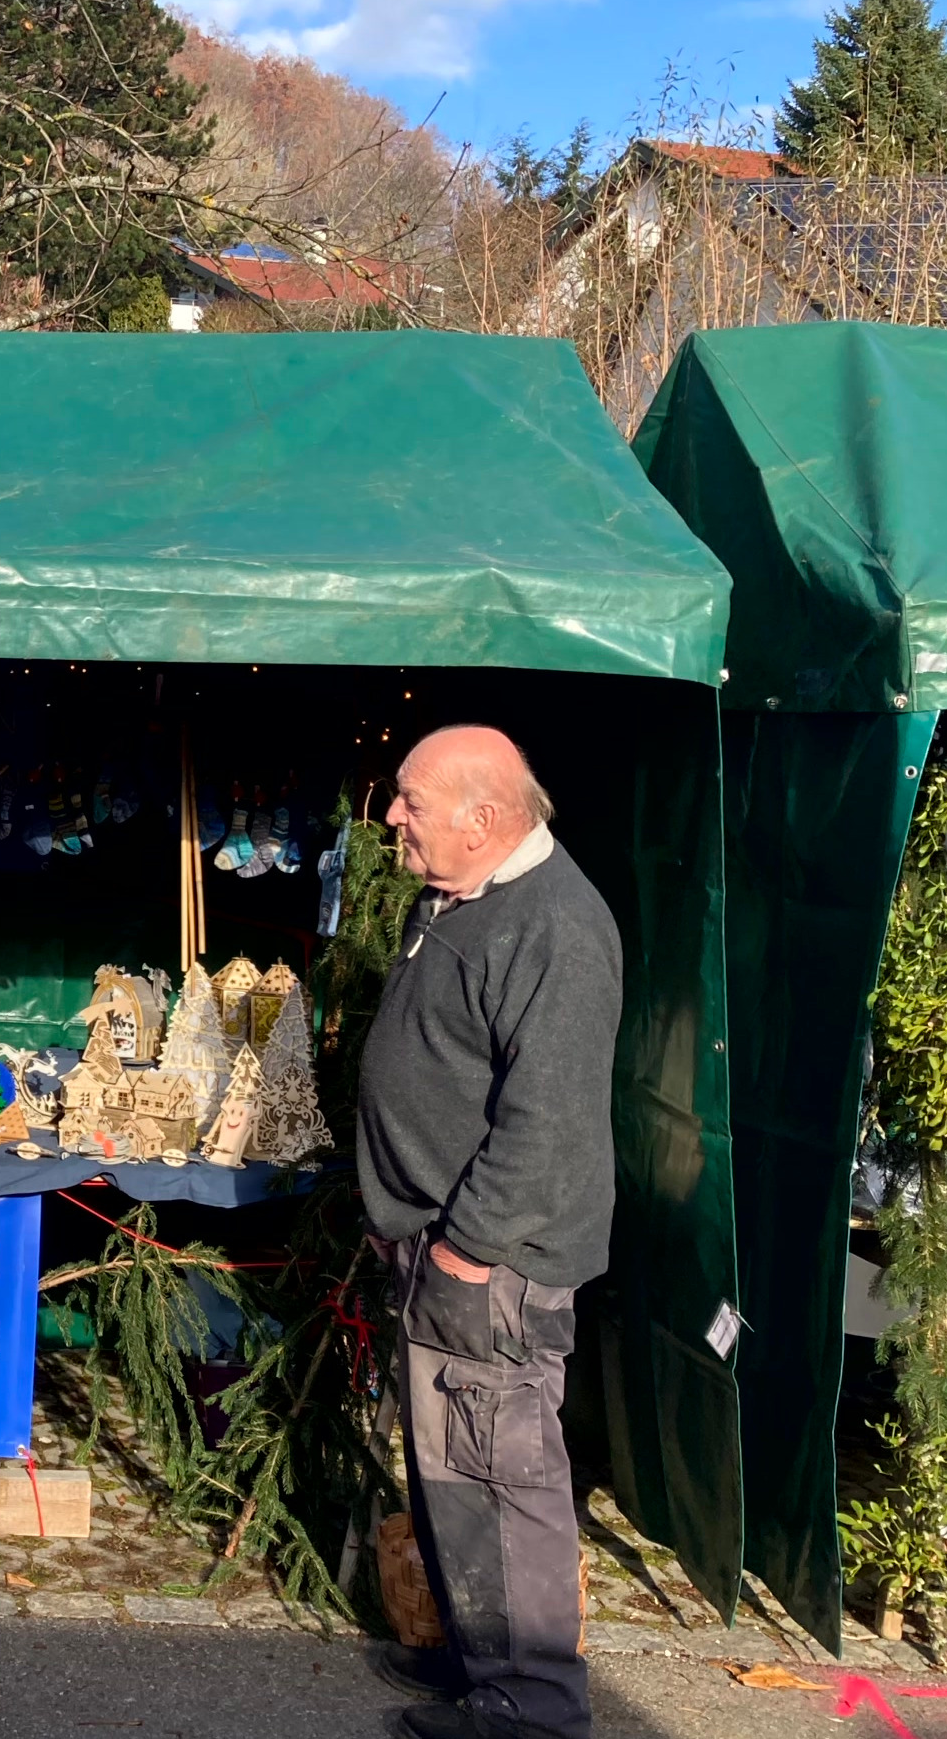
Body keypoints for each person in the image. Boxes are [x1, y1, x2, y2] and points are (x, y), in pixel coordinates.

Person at [359, 726, 620, 1739]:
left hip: (491, 1257)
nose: (392, 815)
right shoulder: (467, 897)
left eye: (408, 799)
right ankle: (475, 1659)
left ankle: (533, 1704)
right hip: (435, 1238)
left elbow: (545, 1117)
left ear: (482, 817)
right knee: (449, 1464)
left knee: (500, 1470)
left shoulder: (552, 927)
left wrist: (466, 1248)